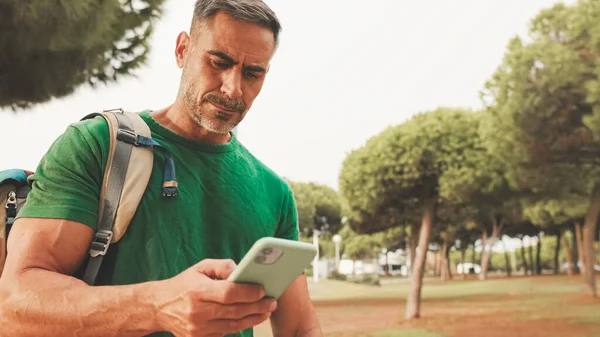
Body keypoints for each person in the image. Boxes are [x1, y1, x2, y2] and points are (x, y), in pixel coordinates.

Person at [0, 0, 323, 336]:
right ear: (182, 50)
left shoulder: (274, 193)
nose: (233, 88)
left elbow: (299, 327)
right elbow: (14, 304)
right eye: (219, 62)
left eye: (253, 73)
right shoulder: (96, 145)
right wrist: (157, 307)